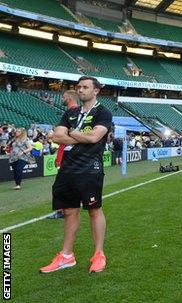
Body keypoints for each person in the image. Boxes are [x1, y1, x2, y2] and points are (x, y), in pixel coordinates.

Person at [40, 76, 112, 274]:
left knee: (94, 210)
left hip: (89, 169)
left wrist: (71, 135)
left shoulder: (103, 112)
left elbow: (95, 137)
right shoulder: (70, 112)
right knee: (69, 211)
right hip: (67, 169)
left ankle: (99, 254)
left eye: (85, 87)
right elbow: (57, 136)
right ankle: (66, 256)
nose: (80, 90)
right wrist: (79, 136)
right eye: (78, 87)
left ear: (95, 91)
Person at [48, 90, 80, 220]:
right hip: (69, 154)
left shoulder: (73, 112)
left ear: (67, 97)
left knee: (62, 186)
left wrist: (55, 136)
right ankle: (68, 209)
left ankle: (63, 211)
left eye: (63, 96)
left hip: (68, 155)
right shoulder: (75, 111)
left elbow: (68, 134)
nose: (62, 98)